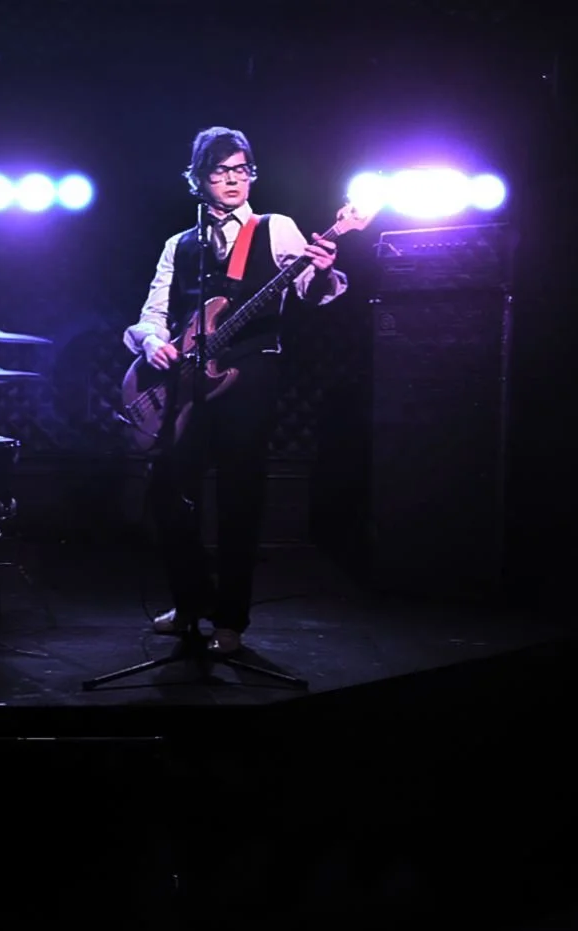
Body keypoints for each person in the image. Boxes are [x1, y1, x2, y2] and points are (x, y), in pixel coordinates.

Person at [121, 125, 346, 655]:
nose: (233, 180)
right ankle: (192, 600)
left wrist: (321, 271)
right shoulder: (180, 244)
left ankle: (230, 620)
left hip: (252, 377)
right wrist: (153, 342)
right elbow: (150, 315)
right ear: (199, 179)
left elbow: (312, 294)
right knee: (167, 495)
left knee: (241, 499)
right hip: (188, 381)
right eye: (221, 171)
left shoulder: (277, 227)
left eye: (241, 170)